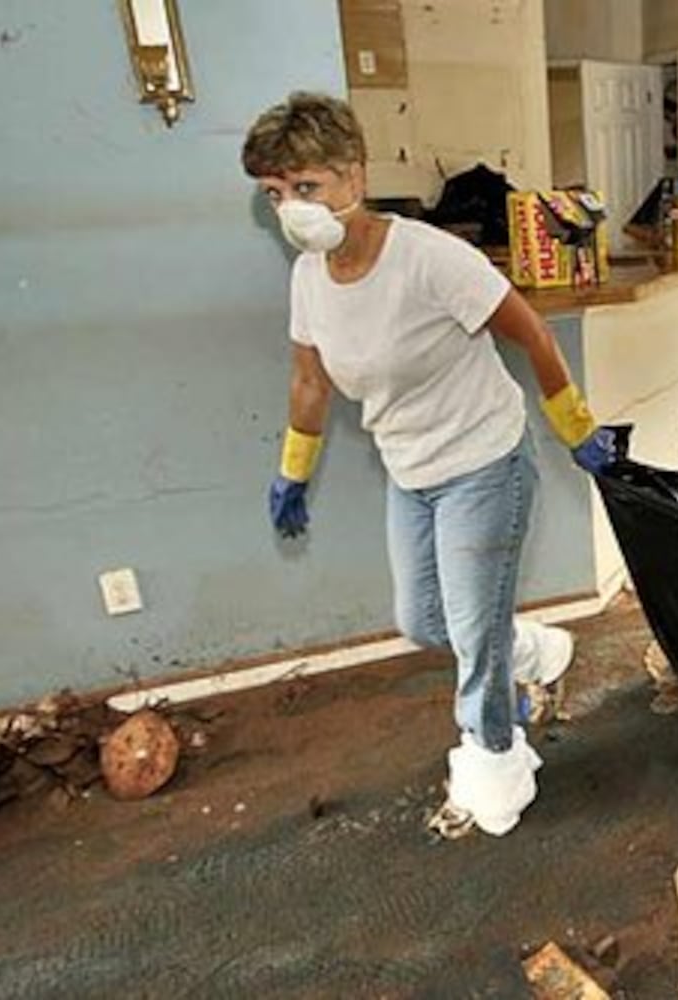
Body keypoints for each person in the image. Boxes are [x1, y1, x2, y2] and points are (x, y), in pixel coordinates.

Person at [241, 92, 614, 838]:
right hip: (410, 472)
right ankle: (536, 649)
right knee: (422, 617)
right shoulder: (310, 278)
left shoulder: (429, 257)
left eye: (306, 187)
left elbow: (531, 333)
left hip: (484, 461)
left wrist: (573, 424)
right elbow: (310, 381)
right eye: (276, 194)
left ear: (354, 173)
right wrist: (293, 468)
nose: (291, 209)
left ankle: (495, 765)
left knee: (474, 644)